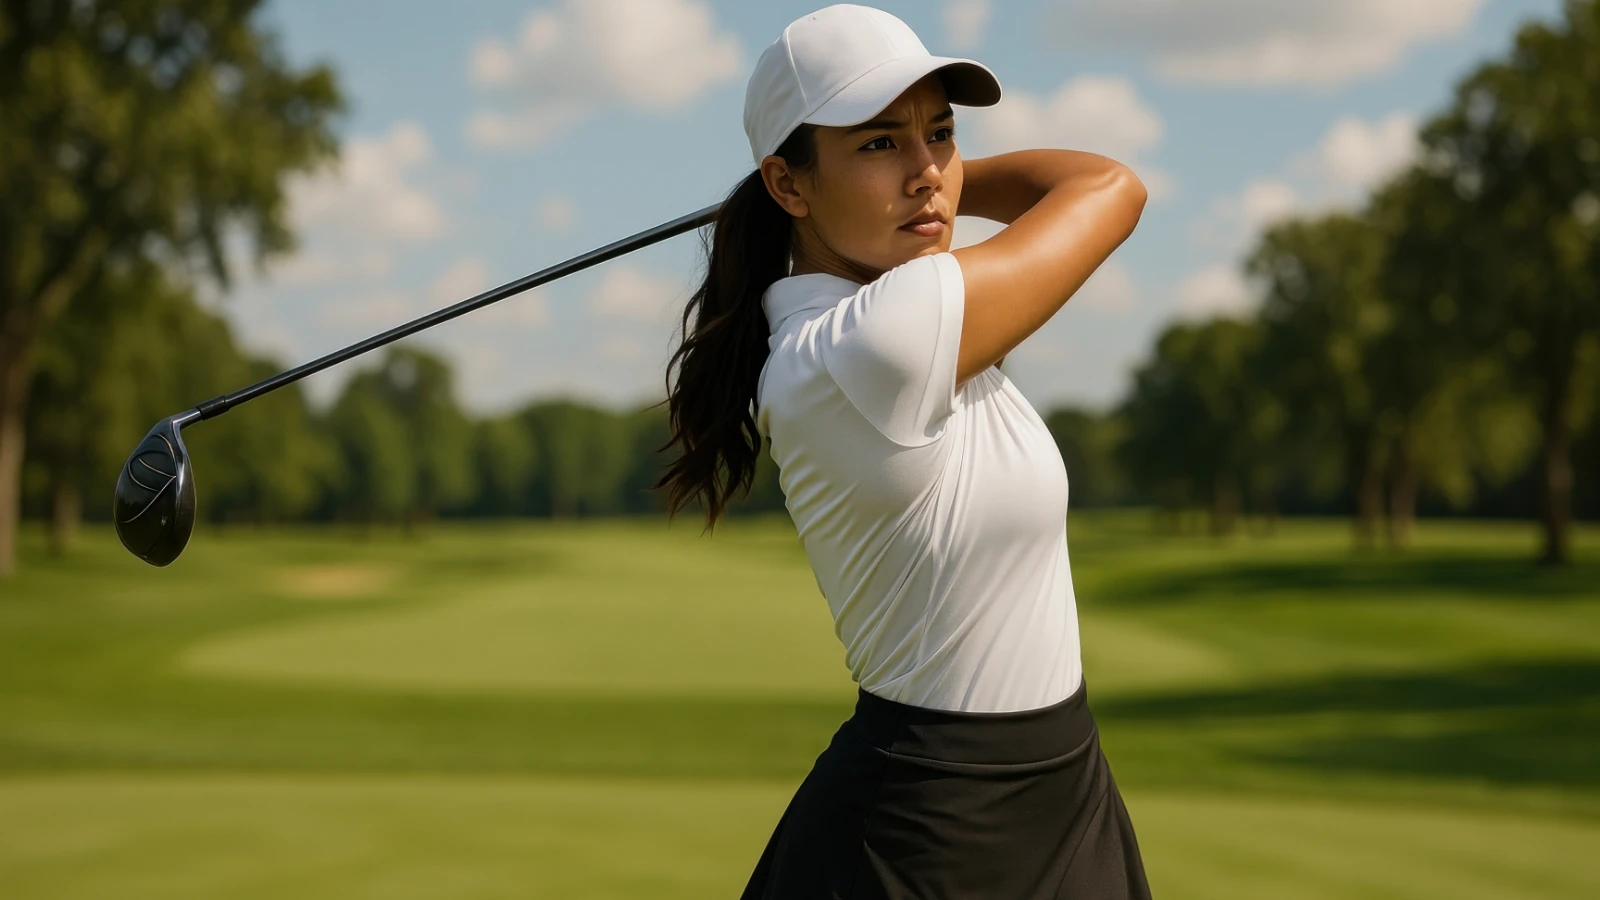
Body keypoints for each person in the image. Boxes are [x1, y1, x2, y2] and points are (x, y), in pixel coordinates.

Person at [655, 4, 1150, 897]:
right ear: (787, 184)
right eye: (880, 144)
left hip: (1064, 790)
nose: (927, 172)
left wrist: (916, 177)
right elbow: (1110, 187)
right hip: (930, 832)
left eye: (942, 133)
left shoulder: (895, 316)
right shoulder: (876, 341)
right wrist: (949, 185)